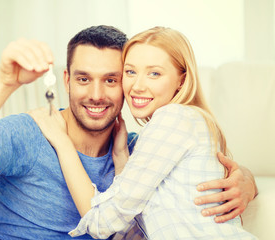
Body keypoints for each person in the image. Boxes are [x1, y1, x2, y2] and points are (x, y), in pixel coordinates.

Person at [0, 25, 257, 239]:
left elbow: (200, 170)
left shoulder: (138, 150)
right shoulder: (28, 131)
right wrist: (4, 82)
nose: (96, 94)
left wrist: (246, 181)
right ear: (67, 80)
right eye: (83, 79)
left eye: (111, 79)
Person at [31, 26, 258, 239]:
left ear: (182, 79)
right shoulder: (187, 122)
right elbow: (131, 227)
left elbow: (102, 223)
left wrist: (62, 143)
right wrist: (121, 157)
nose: (137, 86)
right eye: (130, 72)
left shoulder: (172, 119)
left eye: (154, 74)